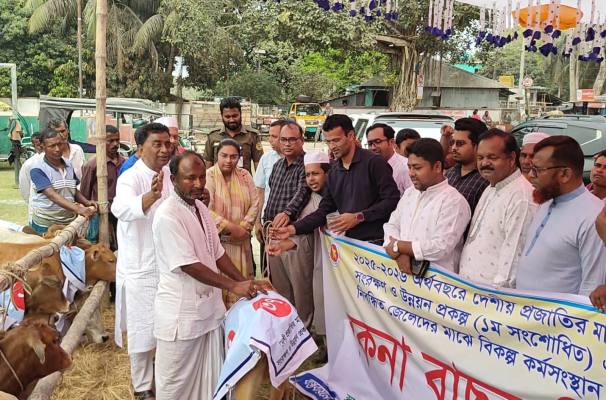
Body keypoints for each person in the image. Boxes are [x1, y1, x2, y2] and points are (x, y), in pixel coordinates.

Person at [152, 151, 269, 400]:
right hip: (181, 315)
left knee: (210, 381)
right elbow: (189, 265)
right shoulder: (167, 215)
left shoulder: (200, 208)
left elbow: (217, 253)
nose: (198, 184)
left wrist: (243, 281)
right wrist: (232, 286)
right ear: (173, 179)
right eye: (190, 178)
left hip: (209, 312)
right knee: (174, 385)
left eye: (202, 177)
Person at [111, 122, 173, 400]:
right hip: (141, 268)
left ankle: (162, 380)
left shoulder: (170, 173)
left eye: (167, 143)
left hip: (168, 265)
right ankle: (142, 387)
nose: (164, 149)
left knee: (165, 327)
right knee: (142, 331)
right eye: (157, 144)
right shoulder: (131, 177)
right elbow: (121, 209)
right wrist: (151, 196)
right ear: (139, 148)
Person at [274, 114, 400, 244]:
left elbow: (392, 200)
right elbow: (323, 211)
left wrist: (359, 217)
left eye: (336, 140)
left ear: (350, 136)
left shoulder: (374, 162)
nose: (332, 146)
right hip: (349, 244)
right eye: (328, 142)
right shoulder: (334, 171)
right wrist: (292, 229)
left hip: (376, 243)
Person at [516, 136, 606, 296]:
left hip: (558, 313)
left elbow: (592, 288)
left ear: (564, 174)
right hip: (523, 309)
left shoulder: (594, 218)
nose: (530, 175)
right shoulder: (547, 201)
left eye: (537, 170)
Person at [267, 151, 330, 362]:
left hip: (335, 262)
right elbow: (305, 233)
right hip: (314, 258)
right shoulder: (308, 200)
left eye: (315, 174)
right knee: (312, 296)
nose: (311, 179)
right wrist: (285, 244)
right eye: (307, 175)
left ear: (327, 173)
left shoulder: (333, 198)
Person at [458, 129, 536, 288]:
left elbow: (512, 262)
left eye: (492, 157)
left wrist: (495, 297)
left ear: (512, 158)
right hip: (469, 290)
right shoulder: (491, 187)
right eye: (480, 157)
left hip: (491, 296)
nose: (484, 163)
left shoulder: (521, 198)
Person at [383, 138, 470, 273]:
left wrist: (399, 246)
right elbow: (391, 225)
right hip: (402, 275)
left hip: (436, 281)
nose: (411, 173)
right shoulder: (410, 193)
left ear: (437, 167)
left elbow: (441, 247)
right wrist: (400, 254)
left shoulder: (454, 201)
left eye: (417, 168)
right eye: (409, 167)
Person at [206, 139, 259, 307]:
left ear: (239, 158)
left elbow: (255, 203)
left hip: (241, 243)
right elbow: (205, 209)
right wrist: (230, 228)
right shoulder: (208, 176)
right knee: (219, 292)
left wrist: (243, 229)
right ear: (217, 156)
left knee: (242, 293)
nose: (228, 160)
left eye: (233, 157)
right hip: (218, 245)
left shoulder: (245, 175)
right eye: (224, 156)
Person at [29, 128, 96, 234]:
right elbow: (52, 195)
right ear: (43, 147)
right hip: (46, 224)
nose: (57, 149)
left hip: (68, 222)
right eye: (52, 146)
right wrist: (78, 209)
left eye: (60, 144)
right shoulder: (37, 168)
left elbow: (73, 189)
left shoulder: (68, 164)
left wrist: (86, 202)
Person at [80, 125, 125, 249]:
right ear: (101, 142)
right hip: (102, 215)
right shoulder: (92, 165)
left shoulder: (123, 162)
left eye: (117, 140)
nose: (115, 144)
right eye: (110, 141)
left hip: (121, 212)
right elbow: (84, 194)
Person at [263, 122, 310, 228]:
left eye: (292, 139)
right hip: (270, 227)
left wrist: (287, 213)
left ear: (302, 141)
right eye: (283, 139)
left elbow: (303, 192)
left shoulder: (307, 164)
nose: (287, 144)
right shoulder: (277, 165)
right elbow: (271, 196)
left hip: (291, 230)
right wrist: (264, 221)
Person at [253, 119, 285, 269]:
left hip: (289, 225)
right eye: (269, 136)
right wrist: (257, 222)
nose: (270, 140)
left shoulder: (302, 160)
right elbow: (259, 191)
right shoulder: (266, 159)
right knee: (268, 268)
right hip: (268, 222)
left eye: (274, 136)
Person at [440, 118, 489, 214]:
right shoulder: (449, 174)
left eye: (460, 143)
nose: (454, 148)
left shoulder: (485, 180)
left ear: (477, 146)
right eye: (452, 143)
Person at [204, 97, 263, 174]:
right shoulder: (213, 136)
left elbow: (258, 164)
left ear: (240, 114)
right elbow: (208, 164)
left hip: (243, 180)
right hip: (218, 181)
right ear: (222, 116)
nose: (231, 120)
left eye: (235, 116)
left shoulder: (252, 135)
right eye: (227, 117)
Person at [366, 123, 412, 196]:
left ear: (391, 142)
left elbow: (413, 198)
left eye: (378, 142)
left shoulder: (406, 168)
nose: (373, 147)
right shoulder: (366, 166)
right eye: (370, 144)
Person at [19, 132, 44, 222]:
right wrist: (32, 203)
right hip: (36, 210)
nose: (41, 147)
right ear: (33, 146)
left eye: (42, 144)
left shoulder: (56, 160)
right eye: (38, 145)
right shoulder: (29, 164)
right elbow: (25, 189)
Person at [8, 116, 23, 186]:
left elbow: (19, 131)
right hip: (16, 142)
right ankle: (18, 181)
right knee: (17, 161)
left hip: (16, 142)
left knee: (17, 161)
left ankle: (18, 181)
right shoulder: (15, 122)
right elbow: (19, 131)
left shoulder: (15, 122)